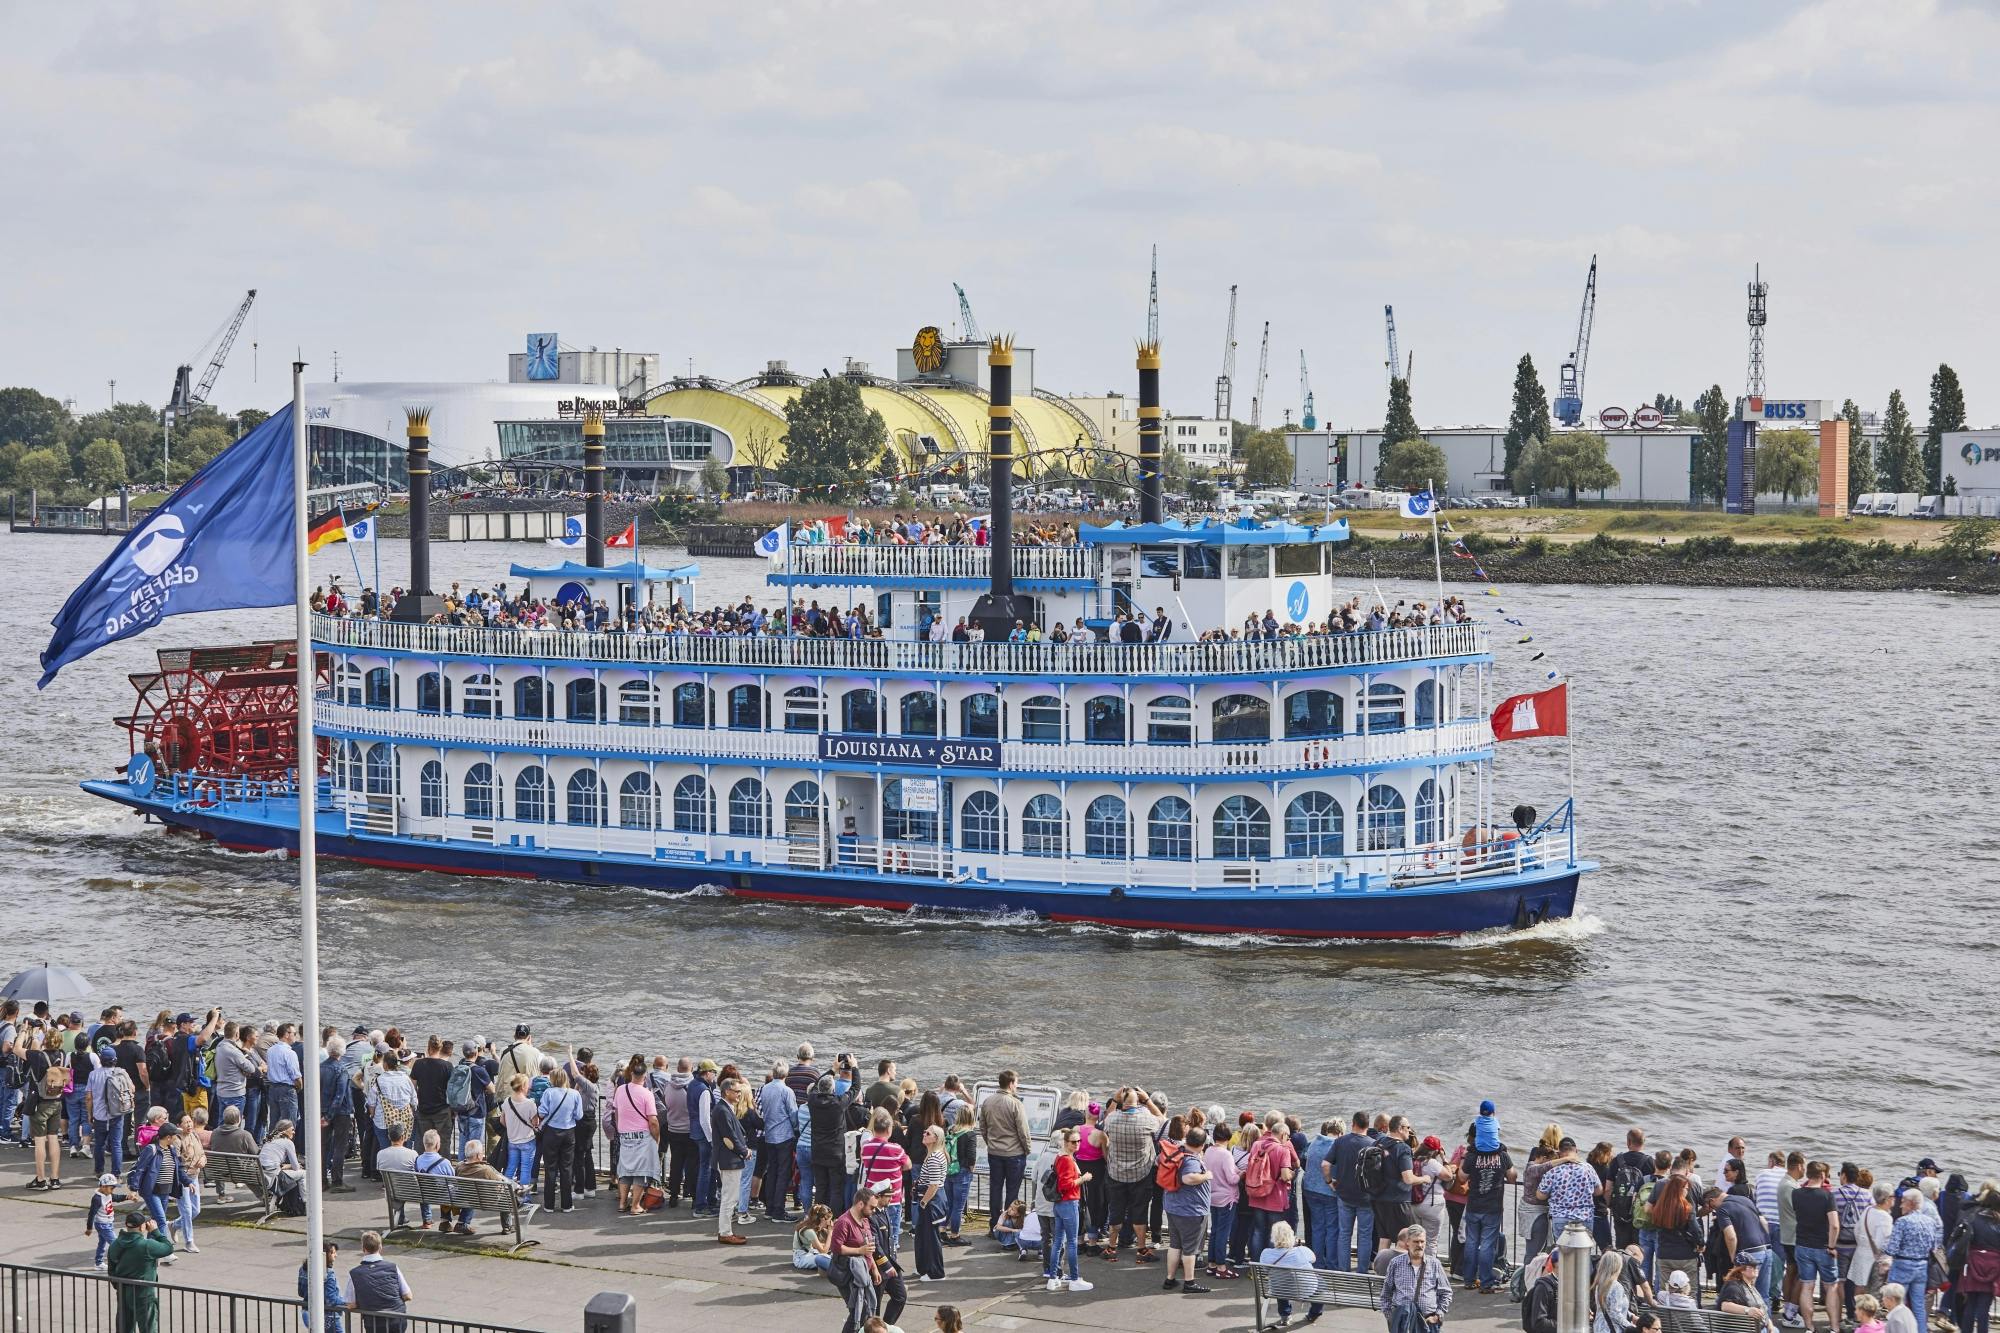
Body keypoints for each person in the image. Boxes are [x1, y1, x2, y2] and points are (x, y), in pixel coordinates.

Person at [1461, 1126, 1516, 1294]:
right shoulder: (1502, 1155)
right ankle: (1486, 1282)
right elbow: (1513, 1177)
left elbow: (1462, 1177)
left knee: (1471, 1242)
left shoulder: (1471, 1155)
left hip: (1474, 1204)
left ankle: (1469, 1280)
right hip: (1492, 1206)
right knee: (1487, 1245)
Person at [1162, 1125, 1215, 1295]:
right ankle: (1189, 1282)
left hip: (1173, 1206)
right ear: (1202, 1145)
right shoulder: (1191, 1160)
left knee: (1175, 1245)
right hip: (1190, 1211)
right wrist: (1206, 1175)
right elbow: (1188, 1178)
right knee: (1190, 1249)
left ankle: (1170, 1279)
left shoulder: (1177, 1152)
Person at [1794, 1160, 1844, 1333]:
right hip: (1823, 1247)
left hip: (1801, 1245)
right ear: (1823, 1176)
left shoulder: (1796, 1194)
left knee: (1807, 1285)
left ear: (1807, 1175)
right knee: (1831, 1286)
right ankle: (1834, 1328)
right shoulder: (1827, 1196)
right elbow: (1835, 1225)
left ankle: (1809, 1327)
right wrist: (1831, 1246)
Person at [1886, 1184, 1944, 1333]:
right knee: (1918, 1305)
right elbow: (1933, 1246)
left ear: (1911, 1203)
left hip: (1902, 1265)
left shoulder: (1902, 1222)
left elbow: (1892, 1249)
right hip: (1922, 1266)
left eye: (1903, 1201)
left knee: (1897, 1304)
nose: (1900, 1205)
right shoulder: (1930, 1222)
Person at [978, 1071, 1030, 1236]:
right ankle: (1008, 1227)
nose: (1017, 1086)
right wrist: (1027, 1149)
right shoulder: (1015, 1104)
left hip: (994, 1152)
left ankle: (994, 1225)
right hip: (1014, 1153)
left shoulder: (987, 1102)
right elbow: (1023, 1131)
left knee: (995, 1189)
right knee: (1012, 1192)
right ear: (1010, 1084)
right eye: (1016, 1083)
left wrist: (990, 1143)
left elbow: (983, 1128)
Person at [107, 1211, 175, 1333]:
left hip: (123, 1292)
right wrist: (155, 1231)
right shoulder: (146, 1245)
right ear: (142, 1226)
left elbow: (111, 1271)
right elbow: (168, 1248)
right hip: (144, 1293)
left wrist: (120, 1287)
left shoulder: (115, 1245)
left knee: (125, 1327)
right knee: (148, 1327)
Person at [609, 1057, 660, 1215]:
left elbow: (616, 1112)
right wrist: (657, 1138)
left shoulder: (621, 1090)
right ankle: (635, 1205)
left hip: (625, 1135)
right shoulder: (647, 1094)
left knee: (624, 1170)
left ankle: (622, 1203)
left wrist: (620, 1129)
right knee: (641, 1172)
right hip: (642, 1136)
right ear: (644, 1076)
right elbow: (653, 1120)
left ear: (631, 1074)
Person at [1382, 1223, 1453, 1333]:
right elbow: (1386, 1292)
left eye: (1422, 1241)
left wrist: (1437, 1316)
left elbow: (1446, 1293)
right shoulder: (1396, 1263)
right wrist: (1390, 1316)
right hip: (1402, 1322)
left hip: (1428, 1322)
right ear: (1408, 1243)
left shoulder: (1435, 1264)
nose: (1420, 1245)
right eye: (1416, 1241)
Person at [1953, 1180, 2000, 1333]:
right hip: (1993, 1267)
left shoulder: (1974, 1219)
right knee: (1983, 1307)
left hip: (1973, 1264)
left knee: (1970, 1304)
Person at [1332, 1111, 1377, 1270]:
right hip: (1366, 1197)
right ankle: (1362, 1271)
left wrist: (1330, 1182)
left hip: (1344, 1195)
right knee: (1365, 1236)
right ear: (1368, 1125)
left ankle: (1344, 1270)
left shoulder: (1340, 1142)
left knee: (1344, 1234)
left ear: (1353, 1123)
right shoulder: (1373, 1144)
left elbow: (1325, 1164)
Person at [345, 1231, 414, 1333]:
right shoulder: (392, 1267)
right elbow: (408, 1296)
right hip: (397, 1320)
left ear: (363, 1248)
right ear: (380, 1247)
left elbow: (350, 1304)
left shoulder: (354, 1274)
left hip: (373, 1324)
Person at [535, 1067, 583, 1213]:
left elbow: (542, 1112)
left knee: (550, 1168)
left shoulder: (549, 1092)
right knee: (566, 1168)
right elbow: (579, 1115)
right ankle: (566, 1204)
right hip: (569, 1132)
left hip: (551, 1132)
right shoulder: (575, 1093)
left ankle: (549, 1204)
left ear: (553, 1079)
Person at [712, 1076, 751, 1244]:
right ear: (727, 1091)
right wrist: (744, 1152)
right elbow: (730, 1137)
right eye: (736, 1092)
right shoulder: (722, 1110)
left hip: (728, 1159)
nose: (739, 1095)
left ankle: (726, 1230)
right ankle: (725, 1232)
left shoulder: (723, 1108)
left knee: (729, 1197)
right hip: (729, 1160)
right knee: (729, 1197)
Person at [1262, 1220, 1322, 1327]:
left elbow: (1265, 1270)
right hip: (1305, 1290)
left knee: (1280, 1281)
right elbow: (1314, 1259)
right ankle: (1314, 1313)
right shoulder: (1302, 1250)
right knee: (1320, 1283)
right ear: (1291, 1236)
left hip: (1280, 1290)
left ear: (1273, 1237)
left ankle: (1285, 1316)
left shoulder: (1266, 1254)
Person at [759, 1063, 799, 1223]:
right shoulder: (787, 1091)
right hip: (784, 1136)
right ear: (786, 1074)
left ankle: (770, 1208)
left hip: (769, 1135)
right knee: (783, 1173)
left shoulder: (765, 1089)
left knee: (772, 1172)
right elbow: (793, 1114)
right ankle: (779, 1211)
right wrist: (796, 1129)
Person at [913, 1123, 948, 1281]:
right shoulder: (936, 1155)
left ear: (936, 1138)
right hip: (931, 1200)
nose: (924, 1134)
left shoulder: (934, 1157)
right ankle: (925, 1266)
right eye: (925, 1132)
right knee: (923, 1235)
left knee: (930, 1237)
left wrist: (923, 1203)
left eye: (928, 1133)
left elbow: (933, 1185)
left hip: (931, 1202)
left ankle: (935, 1272)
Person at [452, 1139, 505, 1235]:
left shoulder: (459, 1166)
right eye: (481, 1153)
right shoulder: (485, 1170)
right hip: (486, 1200)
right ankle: (507, 1226)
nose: (483, 1155)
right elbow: (500, 1183)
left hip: (465, 1197)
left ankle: (462, 1222)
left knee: (471, 1192)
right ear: (477, 1155)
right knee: (506, 1194)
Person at [412, 1129, 456, 1231]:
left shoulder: (418, 1160)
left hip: (424, 1193)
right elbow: (453, 1180)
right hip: (441, 1194)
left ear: (424, 1144)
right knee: (449, 1188)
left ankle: (427, 1220)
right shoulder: (444, 1162)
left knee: (424, 1187)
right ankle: (445, 1221)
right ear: (437, 1145)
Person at [299, 1239, 345, 1333]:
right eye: (333, 1253)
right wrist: (346, 1301)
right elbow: (331, 1299)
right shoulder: (328, 1273)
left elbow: (300, 1292)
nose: (336, 1255)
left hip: (307, 1312)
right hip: (328, 1316)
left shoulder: (303, 1269)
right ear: (325, 1255)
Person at [87, 1172, 121, 1270]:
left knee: (102, 1243)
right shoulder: (97, 1198)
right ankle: (119, 1263)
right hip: (102, 1224)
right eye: (112, 1188)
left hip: (108, 1223)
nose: (112, 1191)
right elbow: (91, 1214)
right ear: (103, 1187)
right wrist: (89, 1228)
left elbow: (117, 1198)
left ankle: (98, 1263)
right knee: (115, 1243)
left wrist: (127, 1197)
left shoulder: (108, 1194)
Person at [1592, 1249, 1631, 1333]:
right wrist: (1631, 1327)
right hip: (1612, 1329)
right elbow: (1615, 1313)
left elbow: (1610, 1308)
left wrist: (1631, 1316)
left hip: (1599, 1327)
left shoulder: (1600, 1284)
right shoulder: (1616, 1286)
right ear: (1617, 1266)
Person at [795, 1204, 834, 1274]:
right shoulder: (809, 1231)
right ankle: (837, 1267)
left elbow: (817, 1245)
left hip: (809, 1252)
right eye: (829, 1220)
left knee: (834, 1254)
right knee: (824, 1257)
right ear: (822, 1219)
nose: (829, 1223)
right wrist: (830, 1232)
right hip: (801, 1258)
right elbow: (823, 1251)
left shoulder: (809, 1224)